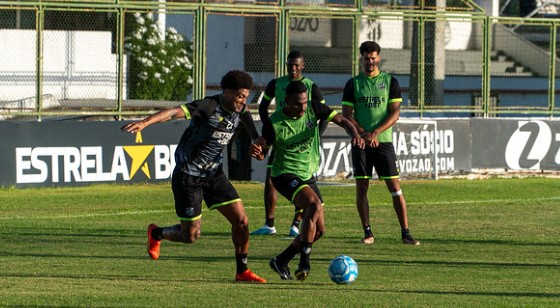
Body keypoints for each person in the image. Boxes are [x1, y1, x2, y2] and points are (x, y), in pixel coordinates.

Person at [121, 70, 267, 283]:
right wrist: (145, 123)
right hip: (188, 176)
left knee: (242, 221)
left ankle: (242, 271)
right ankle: (157, 233)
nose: (243, 101)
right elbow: (172, 113)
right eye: (239, 96)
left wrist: (258, 147)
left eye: (245, 96)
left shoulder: (242, 110)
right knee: (191, 236)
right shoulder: (207, 106)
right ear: (226, 92)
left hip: (214, 175)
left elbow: (255, 136)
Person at [250, 81, 364, 281]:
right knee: (313, 204)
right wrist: (258, 152)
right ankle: (304, 262)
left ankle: (281, 260)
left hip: (307, 175)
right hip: (284, 175)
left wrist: (355, 135)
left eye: (304, 103)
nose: (302, 108)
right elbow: (262, 150)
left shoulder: (313, 108)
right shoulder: (274, 123)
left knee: (318, 230)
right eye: (297, 104)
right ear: (286, 101)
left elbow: (343, 120)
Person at [341, 41, 420, 246]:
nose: (370, 61)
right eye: (366, 58)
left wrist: (375, 132)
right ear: (362, 59)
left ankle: (406, 233)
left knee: (395, 187)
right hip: (361, 142)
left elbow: (395, 113)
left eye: (373, 57)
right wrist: (364, 133)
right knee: (362, 186)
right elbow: (346, 115)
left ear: (379, 58)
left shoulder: (390, 81)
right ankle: (368, 232)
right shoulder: (353, 84)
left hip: (383, 142)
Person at [251, 50, 327, 237]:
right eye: (289, 64)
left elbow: (324, 113)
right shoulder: (276, 84)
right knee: (270, 178)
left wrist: (316, 134)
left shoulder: (311, 87)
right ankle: (269, 224)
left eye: (296, 65)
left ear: (303, 66)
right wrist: (269, 128)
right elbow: (263, 106)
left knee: (304, 182)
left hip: (303, 144)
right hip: (281, 136)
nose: (292, 68)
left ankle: (296, 224)